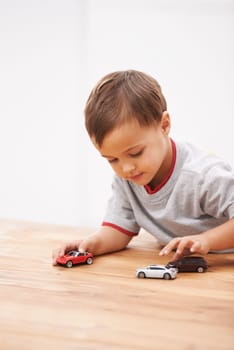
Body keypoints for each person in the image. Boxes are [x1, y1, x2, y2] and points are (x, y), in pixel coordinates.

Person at [52, 69, 234, 265]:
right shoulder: (128, 179)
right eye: (112, 160)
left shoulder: (202, 175)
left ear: (164, 125)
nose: (126, 168)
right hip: (188, 268)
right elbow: (118, 229)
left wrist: (206, 240)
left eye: (135, 153)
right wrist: (88, 245)